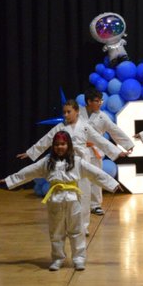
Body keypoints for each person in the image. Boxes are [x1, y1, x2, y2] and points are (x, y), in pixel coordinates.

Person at [1, 130, 120, 270]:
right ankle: (58, 258)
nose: (60, 147)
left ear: (68, 145)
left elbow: (95, 173)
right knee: (56, 231)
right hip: (55, 199)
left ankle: (79, 258)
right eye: (57, 144)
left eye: (63, 144)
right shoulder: (47, 162)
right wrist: (9, 180)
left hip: (72, 198)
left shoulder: (77, 162)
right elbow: (29, 172)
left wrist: (113, 183)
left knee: (76, 230)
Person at [19, 100, 123, 240]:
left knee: (84, 195)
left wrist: (116, 151)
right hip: (66, 164)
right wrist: (31, 152)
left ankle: (84, 226)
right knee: (68, 197)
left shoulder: (85, 127)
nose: (66, 115)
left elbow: (100, 140)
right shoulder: (60, 127)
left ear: (77, 112)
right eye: (64, 112)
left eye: (69, 112)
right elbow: (47, 139)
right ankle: (68, 226)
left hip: (81, 162)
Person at [84, 88, 133, 216]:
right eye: (96, 101)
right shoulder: (78, 115)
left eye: (101, 101)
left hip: (95, 150)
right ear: (89, 101)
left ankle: (95, 205)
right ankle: (80, 204)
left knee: (96, 177)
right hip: (79, 150)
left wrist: (127, 144)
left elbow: (114, 130)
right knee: (80, 179)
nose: (100, 103)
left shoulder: (102, 116)